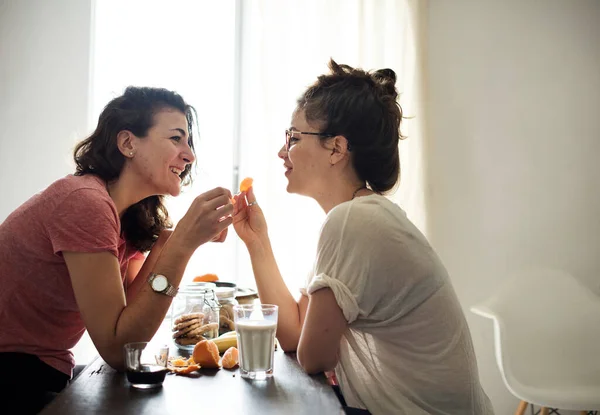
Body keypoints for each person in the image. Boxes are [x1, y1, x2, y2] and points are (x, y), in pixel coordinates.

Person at [232, 60, 494, 414]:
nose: (282, 152)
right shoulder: (359, 216)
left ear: (337, 149)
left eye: (293, 138)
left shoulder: (353, 222)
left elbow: (312, 356)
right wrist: (257, 242)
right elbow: (294, 333)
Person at [0, 86, 233, 414]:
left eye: (189, 142)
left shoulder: (127, 216)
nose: (189, 155)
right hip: (14, 373)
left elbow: (131, 320)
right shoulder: (85, 202)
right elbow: (119, 348)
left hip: (44, 370)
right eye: (176, 139)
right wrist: (182, 245)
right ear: (127, 143)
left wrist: (169, 241)